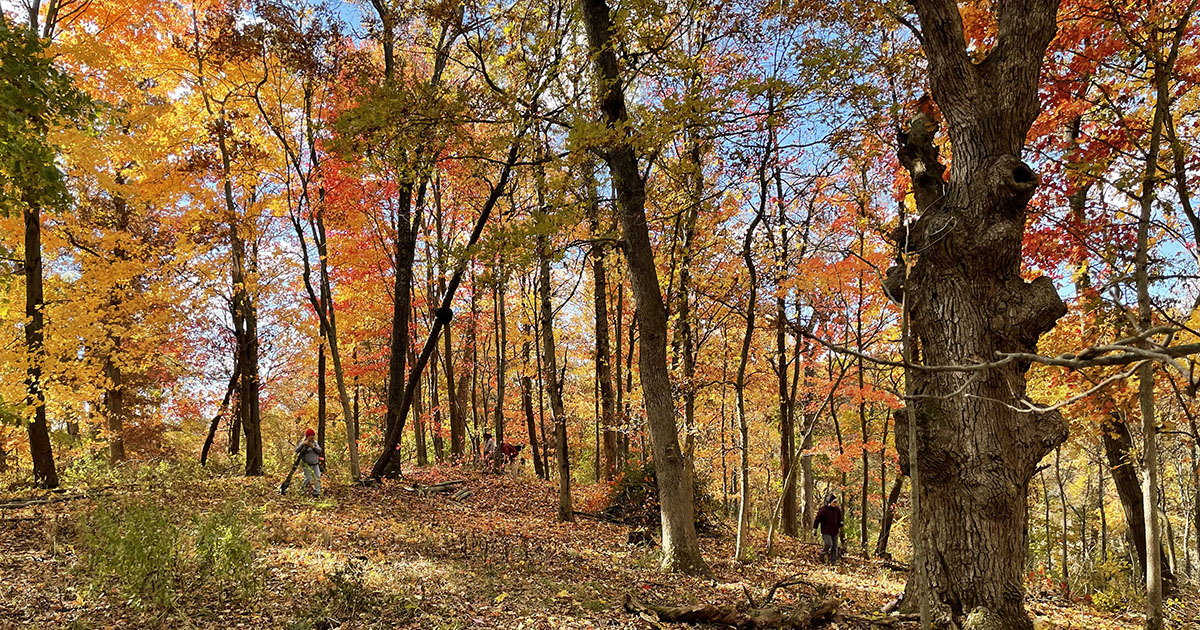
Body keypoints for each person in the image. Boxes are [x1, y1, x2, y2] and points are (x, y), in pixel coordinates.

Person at [813, 494, 843, 565]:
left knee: (834, 547)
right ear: (830, 502)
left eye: (836, 502)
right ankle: (822, 555)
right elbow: (817, 519)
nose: (836, 503)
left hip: (835, 531)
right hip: (826, 531)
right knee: (828, 544)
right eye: (834, 502)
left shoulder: (837, 509)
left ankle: (833, 562)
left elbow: (840, 518)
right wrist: (815, 528)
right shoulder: (823, 510)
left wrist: (841, 523)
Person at [295, 428, 323, 498]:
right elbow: (296, 450)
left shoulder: (315, 443)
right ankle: (301, 491)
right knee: (308, 478)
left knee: (317, 478)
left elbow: (319, 450)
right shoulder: (303, 443)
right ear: (307, 436)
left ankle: (317, 492)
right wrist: (302, 444)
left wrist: (313, 447)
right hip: (306, 464)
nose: (312, 437)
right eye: (311, 435)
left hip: (315, 464)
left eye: (313, 435)